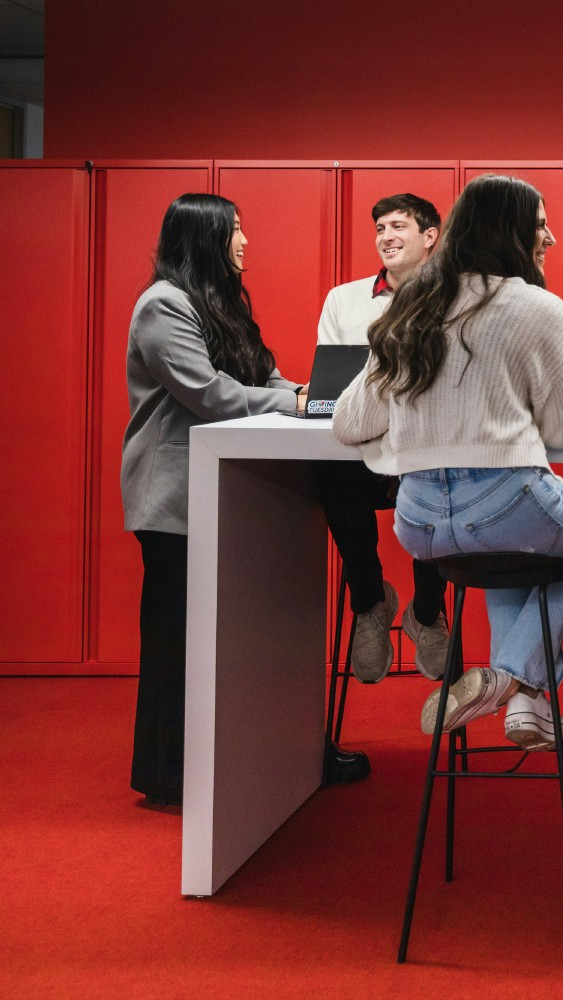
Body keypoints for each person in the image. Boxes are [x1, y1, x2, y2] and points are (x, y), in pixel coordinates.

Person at [333, 173, 563, 747]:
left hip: (421, 525)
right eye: (539, 225)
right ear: (509, 232)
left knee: (519, 553)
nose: (551, 239)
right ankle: (510, 678)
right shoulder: (539, 307)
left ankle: (527, 711)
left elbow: (350, 422)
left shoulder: (410, 304)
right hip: (508, 501)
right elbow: (561, 429)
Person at [121, 193, 365, 806]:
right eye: (234, 230)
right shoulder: (163, 306)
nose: (245, 241)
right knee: (179, 640)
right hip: (177, 499)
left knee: (257, 637)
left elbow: (259, 375)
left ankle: (274, 755)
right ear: (204, 238)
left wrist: (303, 390)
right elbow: (209, 393)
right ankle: (171, 773)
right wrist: (297, 402)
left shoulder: (220, 302)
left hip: (234, 489)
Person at [314, 194, 451, 684]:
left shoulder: (456, 297)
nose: (386, 236)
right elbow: (334, 388)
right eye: (380, 228)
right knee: (330, 471)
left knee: (444, 477)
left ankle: (427, 612)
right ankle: (371, 603)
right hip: (364, 451)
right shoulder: (343, 299)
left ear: (430, 236)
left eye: (399, 226)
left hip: (429, 451)